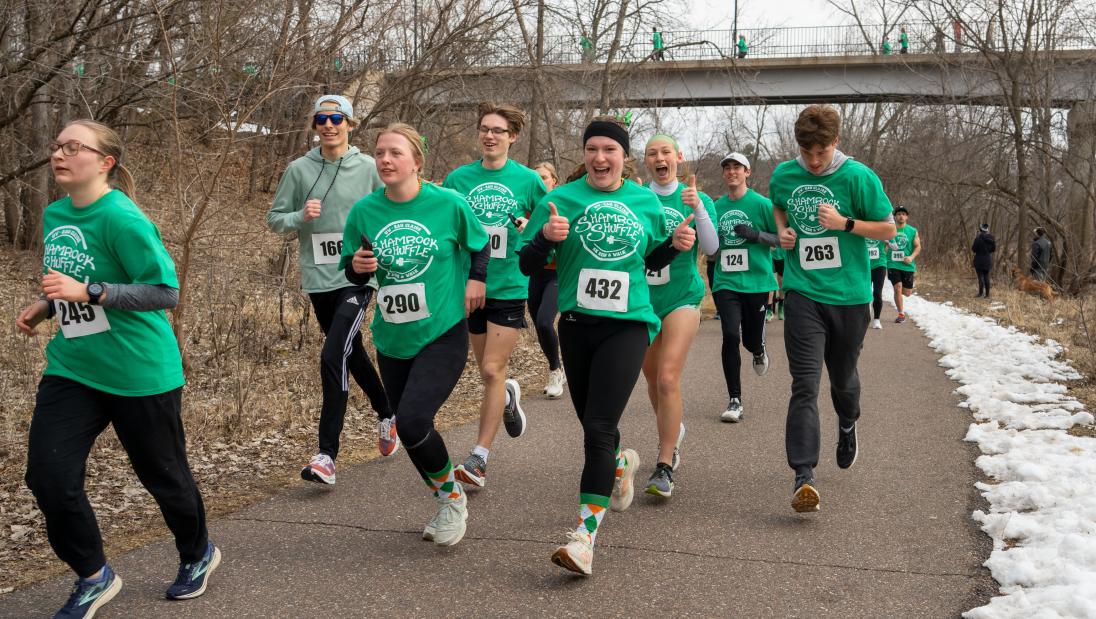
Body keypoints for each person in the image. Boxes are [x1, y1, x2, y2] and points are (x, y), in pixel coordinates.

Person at [16, 120, 220, 617]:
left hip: (139, 373)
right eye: (56, 145)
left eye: (72, 147)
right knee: (48, 476)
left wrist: (89, 293)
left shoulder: (122, 219)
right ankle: (93, 575)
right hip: (74, 367)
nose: (58, 154)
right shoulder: (56, 214)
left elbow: (164, 292)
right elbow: (75, 276)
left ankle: (198, 553)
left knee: (164, 476)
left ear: (104, 162)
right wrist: (46, 305)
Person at [519, 118, 696, 574]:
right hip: (577, 324)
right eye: (593, 149)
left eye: (610, 150)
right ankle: (621, 463)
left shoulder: (644, 201)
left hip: (629, 325)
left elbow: (650, 257)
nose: (600, 158)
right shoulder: (560, 200)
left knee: (598, 426)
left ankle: (584, 538)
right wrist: (544, 239)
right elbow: (526, 261)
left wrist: (675, 247)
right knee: (593, 428)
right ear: (584, 155)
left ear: (624, 157)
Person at [341, 123, 488, 546]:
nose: (385, 160)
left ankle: (450, 500)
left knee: (412, 419)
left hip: (442, 330)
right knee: (411, 430)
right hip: (392, 336)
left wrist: (476, 280)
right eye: (380, 152)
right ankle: (445, 494)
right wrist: (358, 268)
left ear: (417, 162)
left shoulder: (448, 204)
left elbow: (479, 244)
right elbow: (352, 270)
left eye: (395, 153)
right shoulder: (364, 211)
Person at [768, 105, 896, 513]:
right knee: (804, 384)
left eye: (821, 151)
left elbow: (889, 228)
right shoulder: (785, 174)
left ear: (835, 142)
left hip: (850, 297)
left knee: (842, 379)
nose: (814, 159)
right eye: (807, 151)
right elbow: (779, 206)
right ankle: (803, 475)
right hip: (803, 291)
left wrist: (844, 223)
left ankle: (847, 420)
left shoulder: (858, 177)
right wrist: (784, 231)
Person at [267, 94, 396, 486]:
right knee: (350, 352)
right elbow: (274, 220)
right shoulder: (299, 169)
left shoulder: (368, 167)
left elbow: (393, 205)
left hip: (358, 276)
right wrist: (298, 216)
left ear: (350, 124)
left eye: (336, 118)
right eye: (321, 118)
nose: (328, 125)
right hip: (318, 278)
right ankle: (388, 412)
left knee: (332, 353)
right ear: (315, 125)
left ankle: (326, 454)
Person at [443, 102, 547, 490]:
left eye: (498, 131)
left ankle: (479, 458)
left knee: (490, 370)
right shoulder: (458, 180)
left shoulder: (528, 181)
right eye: (484, 129)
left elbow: (549, 227)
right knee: (487, 370)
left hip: (509, 284)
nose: (489, 136)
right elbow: (445, 226)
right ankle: (506, 395)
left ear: (513, 137)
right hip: (470, 285)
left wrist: (531, 229)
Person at [640, 134, 718, 497]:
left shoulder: (694, 198)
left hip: (683, 297)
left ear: (679, 157)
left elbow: (712, 247)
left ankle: (665, 463)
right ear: (645, 161)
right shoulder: (636, 198)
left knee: (668, 378)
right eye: (652, 153)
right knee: (654, 381)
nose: (660, 157)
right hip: (640, 301)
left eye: (666, 151)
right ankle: (672, 430)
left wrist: (698, 207)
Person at [709, 152, 779, 424]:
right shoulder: (716, 206)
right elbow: (710, 243)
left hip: (757, 282)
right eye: (726, 167)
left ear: (747, 172)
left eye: (736, 167)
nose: (731, 171)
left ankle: (759, 349)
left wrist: (756, 235)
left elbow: (783, 239)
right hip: (726, 281)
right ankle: (735, 399)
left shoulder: (762, 204)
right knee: (729, 335)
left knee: (750, 341)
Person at [529, 162, 565, 399]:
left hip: (558, 273)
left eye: (544, 177)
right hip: (535, 273)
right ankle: (556, 365)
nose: (540, 182)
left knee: (544, 321)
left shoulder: (563, 203)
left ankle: (555, 370)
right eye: (536, 178)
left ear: (554, 180)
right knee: (539, 327)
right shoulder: (532, 208)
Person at [887, 205, 920, 324]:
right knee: (897, 288)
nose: (901, 216)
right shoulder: (889, 229)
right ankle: (901, 314)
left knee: (907, 293)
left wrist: (911, 257)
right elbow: (882, 243)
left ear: (907, 217)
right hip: (893, 264)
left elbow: (918, 247)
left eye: (903, 214)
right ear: (895, 216)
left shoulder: (912, 231)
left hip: (907, 265)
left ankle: (899, 296)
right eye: (899, 214)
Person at [866, 236, 889, 328]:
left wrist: (886, 240)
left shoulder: (881, 228)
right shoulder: (861, 227)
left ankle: (876, 319)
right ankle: (866, 315)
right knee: (865, 292)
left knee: (877, 292)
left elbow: (895, 246)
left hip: (880, 264)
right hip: (864, 265)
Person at [972, 223, 996, 298]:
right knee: (986, 277)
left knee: (980, 277)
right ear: (987, 230)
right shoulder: (992, 239)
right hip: (987, 260)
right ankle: (987, 295)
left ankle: (980, 293)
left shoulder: (978, 238)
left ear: (980, 230)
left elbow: (973, 249)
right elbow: (993, 249)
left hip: (979, 260)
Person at [767, 247, 786, 322]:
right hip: (769, 253)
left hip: (782, 253)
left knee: (781, 279)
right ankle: (769, 310)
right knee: (769, 278)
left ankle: (781, 305)